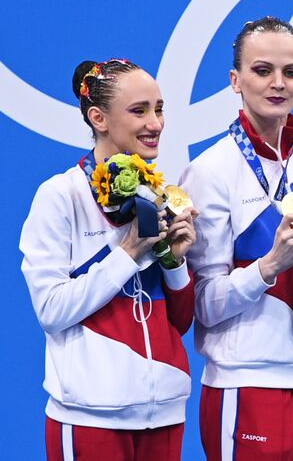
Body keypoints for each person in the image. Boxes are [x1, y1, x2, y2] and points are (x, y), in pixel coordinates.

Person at [180, 16, 293, 460]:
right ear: (235, 80)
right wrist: (268, 267)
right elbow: (204, 306)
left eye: (290, 72)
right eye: (262, 70)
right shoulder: (209, 173)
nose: (278, 83)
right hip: (248, 387)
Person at [21, 58, 198, 460]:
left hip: (165, 413)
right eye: (139, 111)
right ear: (99, 118)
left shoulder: (160, 195)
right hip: (89, 417)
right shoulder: (60, 197)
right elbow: (51, 310)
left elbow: (181, 323)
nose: (155, 123)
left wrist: (175, 262)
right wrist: (128, 252)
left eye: (159, 108)